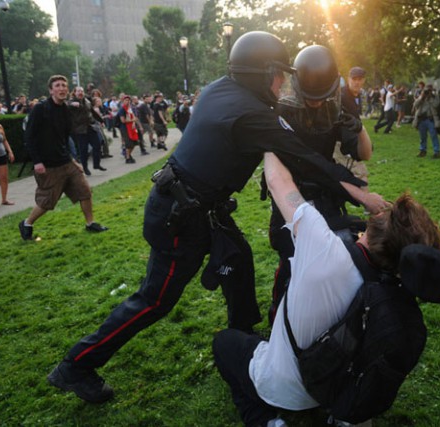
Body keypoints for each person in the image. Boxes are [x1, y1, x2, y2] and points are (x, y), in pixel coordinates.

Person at [47, 32, 386, 404]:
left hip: (199, 208)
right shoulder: (252, 114)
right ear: (263, 72)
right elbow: (307, 157)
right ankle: (75, 365)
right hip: (179, 217)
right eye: (279, 74)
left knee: (239, 261)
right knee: (155, 300)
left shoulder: (221, 90)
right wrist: (361, 193)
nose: (283, 83)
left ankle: (243, 338)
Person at [213, 151, 440, 427]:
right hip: (342, 389)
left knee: (225, 343)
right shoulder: (397, 291)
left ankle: (266, 421)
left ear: (376, 222)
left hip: (284, 387)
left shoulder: (321, 245)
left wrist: (268, 135)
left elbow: (277, 181)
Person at [269, 47, 375, 323]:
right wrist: (359, 194)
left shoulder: (334, 109)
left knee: (332, 251)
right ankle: (281, 313)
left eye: (321, 97)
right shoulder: (282, 112)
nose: (315, 103)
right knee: (291, 256)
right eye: (310, 97)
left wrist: (359, 126)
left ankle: (326, 315)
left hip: (328, 192)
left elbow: (364, 154)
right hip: (292, 192)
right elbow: (307, 164)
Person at [19, 75, 108, 241]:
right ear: (51, 90)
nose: (61, 88)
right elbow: (29, 137)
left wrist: (74, 161)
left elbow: (65, 138)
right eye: (57, 85)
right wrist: (37, 161)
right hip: (48, 165)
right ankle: (27, 223)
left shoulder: (66, 110)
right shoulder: (40, 109)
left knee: (85, 191)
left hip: (66, 162)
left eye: (64, 85)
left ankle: (90, 223)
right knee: (47, 202)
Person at [68, 86, 105, 175]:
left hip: (90, 127)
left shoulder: (87, 101)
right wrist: (72, 104)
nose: (80, 93)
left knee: (97, 144)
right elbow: (66, 104)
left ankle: (96, 164)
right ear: (75, 93)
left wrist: (101, 120)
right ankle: (85, 167)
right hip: (80, 130)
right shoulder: (72, 101)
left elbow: (93, 112)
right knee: (83, 150)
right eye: (78, 91)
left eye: (82, 91)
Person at [412, 84, 440, 159]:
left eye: (429, 90)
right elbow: (415, 105)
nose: (428, 92)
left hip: (430, 119)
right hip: (421, 119)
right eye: (427, 90)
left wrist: (431, 96)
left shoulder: (434, 97)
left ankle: (437, 152)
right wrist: (422, 97)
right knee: (422, 137)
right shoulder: (422, 96)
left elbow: (436, 105)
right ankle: (422, 151)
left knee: (434, 135)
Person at [117, 95, 140, 164]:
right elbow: (123, 120)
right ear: (123, 101)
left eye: (128, 100)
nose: (128, 101)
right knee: (129, 143)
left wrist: (133, 122)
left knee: (134, 142)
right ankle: (127, 157)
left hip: (132, 128)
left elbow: (133, 117)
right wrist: (132, 120)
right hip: (125, 128)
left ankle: (129, 155)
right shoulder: (122, 109)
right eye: (126, 100)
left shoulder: (130, 108)